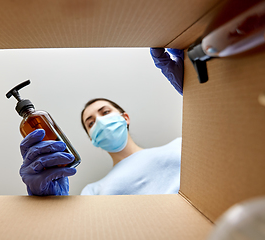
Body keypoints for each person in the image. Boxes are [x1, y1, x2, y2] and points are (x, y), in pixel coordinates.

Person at [19, 48, 184, 196]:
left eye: (105, 112)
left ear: (125, 118)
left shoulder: (180, 147)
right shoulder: (93, 191)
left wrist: (194, 91)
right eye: (90, 123)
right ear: (92, 138)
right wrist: (48, 202)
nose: (100, 122)